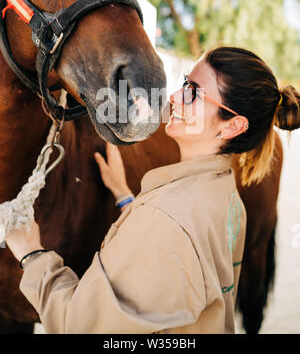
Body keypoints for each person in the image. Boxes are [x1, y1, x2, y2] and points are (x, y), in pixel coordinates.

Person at [5, 46, 300, 334]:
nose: (173, 98)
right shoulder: (227, 197)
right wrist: (125, 197)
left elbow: (82, 325)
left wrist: (32, 256)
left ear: (233, 126)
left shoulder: (168, 217)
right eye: (185, 83)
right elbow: (174, 257)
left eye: (194, 92)